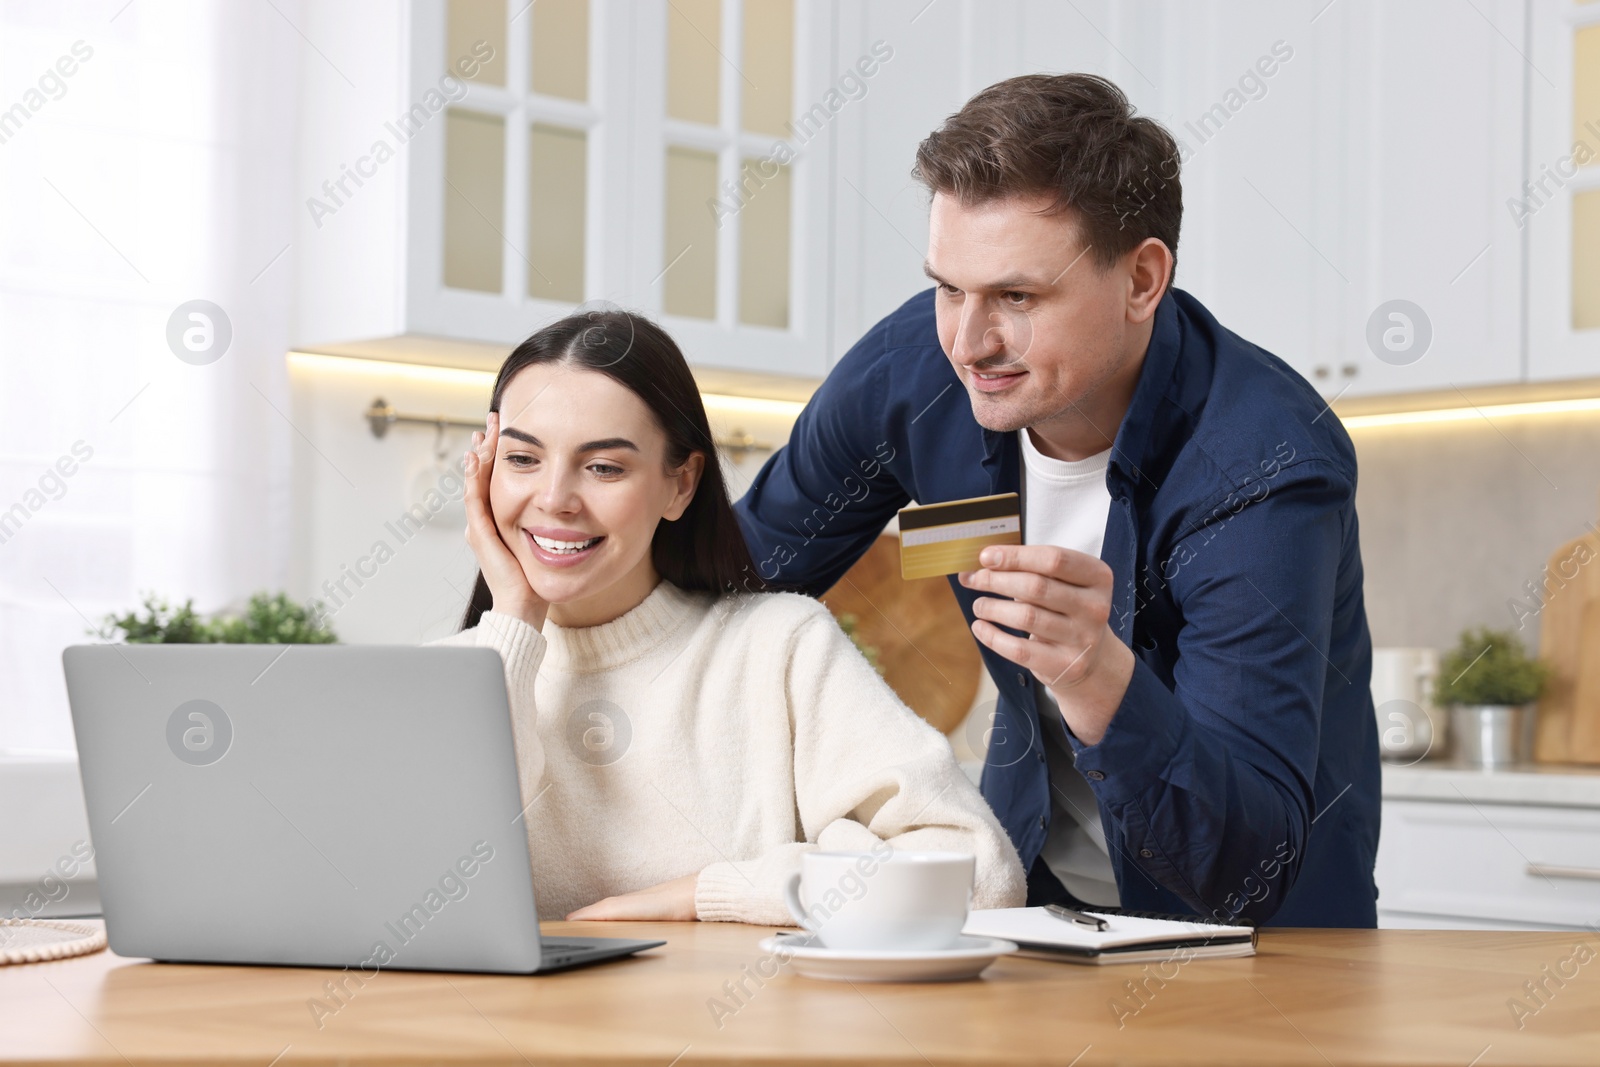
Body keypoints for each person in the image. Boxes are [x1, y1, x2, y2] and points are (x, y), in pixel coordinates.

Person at [733, 73, 1381, 927]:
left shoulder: (1263, 464)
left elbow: (1244, 865)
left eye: (1017, 296)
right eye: (948, 287)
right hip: (1029, 911)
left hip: (1264, 954)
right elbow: (734, 585)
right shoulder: (912, 374)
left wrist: (1097, 672)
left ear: (1142, 280)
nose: (969, 342)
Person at [432, 308, 1026, 924]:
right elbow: (425, 890)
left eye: (604, 467)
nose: (554, 498)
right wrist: (514, 619)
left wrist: (707, 895)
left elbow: (979, 874)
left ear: (681, 484)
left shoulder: (780, 649)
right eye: (522, 459)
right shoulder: (454, 675)